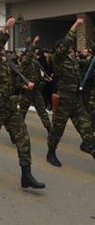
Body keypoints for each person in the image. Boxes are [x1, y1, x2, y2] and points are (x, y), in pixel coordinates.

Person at [0, 17, 45, 189]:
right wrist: (4, 29)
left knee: (23, 138)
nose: (4, 49)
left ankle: (26, 175)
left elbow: (13, 82)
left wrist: (24, 85)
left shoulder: (9, 63)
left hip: (10, 107)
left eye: (4, 47)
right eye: (1, 46)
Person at [47, 18, 95, 167]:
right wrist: (75, 26)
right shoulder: (58, 59)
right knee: (57, 130)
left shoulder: (72, 60)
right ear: (60, 48)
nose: (71, 48)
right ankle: (51, 152)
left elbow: (87, 63)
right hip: (63, 102)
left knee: (86, 129)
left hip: (76, 100)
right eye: (67, 46)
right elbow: (67, 42)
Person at [19, 36, 52, 134]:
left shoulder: (34, 62)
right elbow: (19, 80)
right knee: (22, 112)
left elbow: (39, 76)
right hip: (27, 92)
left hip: (36, 91)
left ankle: (49, 129)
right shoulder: (25, 62)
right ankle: (19, 130)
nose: (34, 53)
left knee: (42, 111)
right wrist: (34, 44)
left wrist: (45, 79)